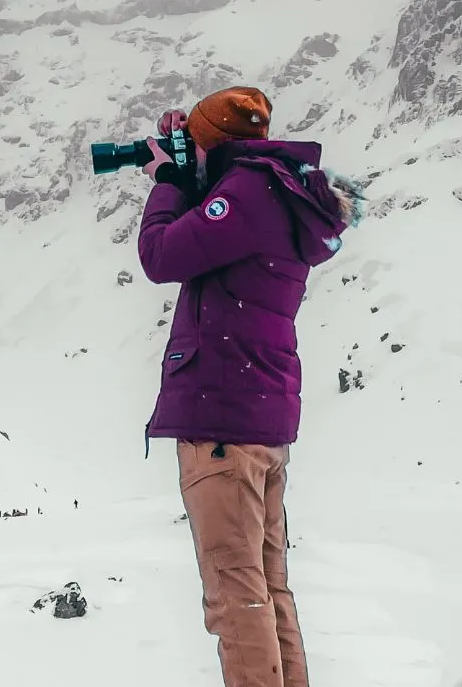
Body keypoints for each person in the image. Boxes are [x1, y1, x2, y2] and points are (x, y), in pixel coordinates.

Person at [137, 86, 364, 687]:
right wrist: (194, 166)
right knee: (266, 587)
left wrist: (168, 181)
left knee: (233, 596)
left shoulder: (244, 194)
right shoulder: (280, 194)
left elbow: (161, 255)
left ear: (217, 147)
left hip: (221, 419)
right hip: (258, 417)